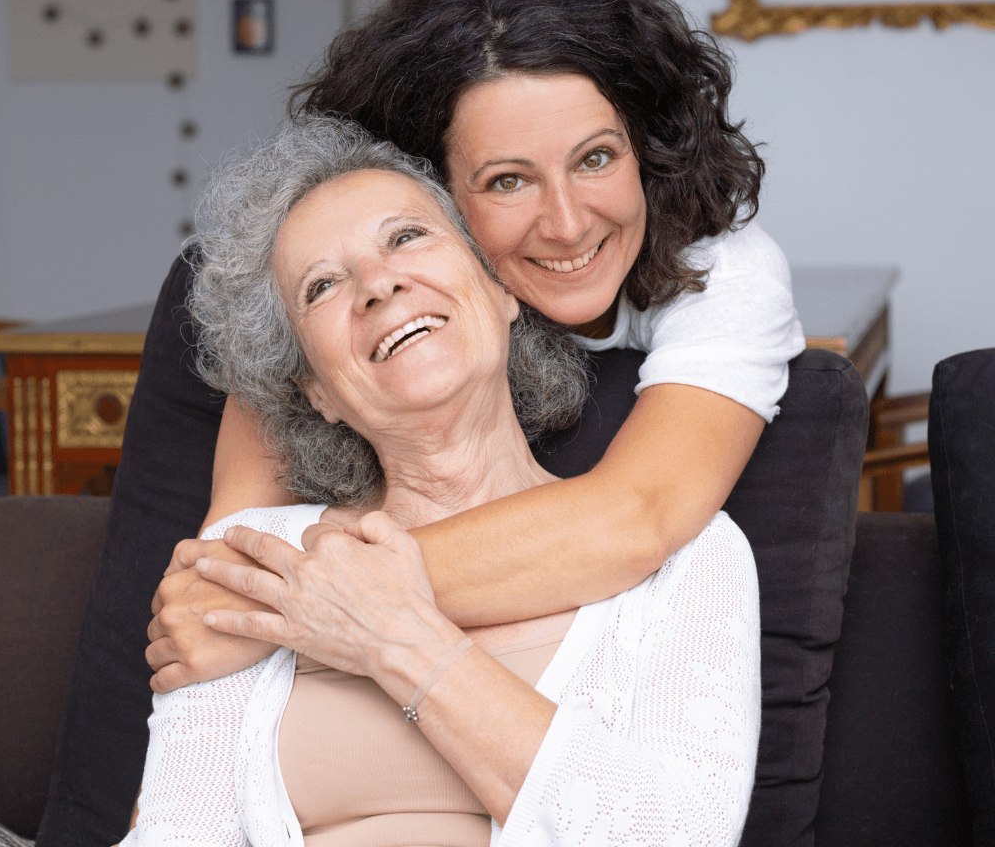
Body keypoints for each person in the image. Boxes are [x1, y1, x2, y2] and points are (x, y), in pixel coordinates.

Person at [148, 0, 803, 693]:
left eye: (595, 158)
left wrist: (295, 609)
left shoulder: (727, 272)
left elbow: (635, 518)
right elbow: (221, 569)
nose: (566, 223)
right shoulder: (356, 305)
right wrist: (240, 600)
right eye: (508, 180)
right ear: (433, 194)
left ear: (644, 148)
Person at [121, 116, 761, 847]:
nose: (378, 284)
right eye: (322, 285)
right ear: (315, 390)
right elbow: (175, 833)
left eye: (406, 237)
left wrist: (399, 641)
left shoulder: (687, 555)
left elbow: (682, 832)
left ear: (502, 291)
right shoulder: (256, 564)